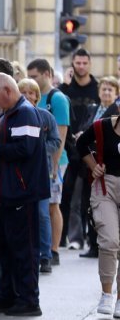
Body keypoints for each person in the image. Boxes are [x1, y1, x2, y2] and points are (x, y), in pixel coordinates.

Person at [0, 73, 49, 317]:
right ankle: (8, 294)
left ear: (8, 91)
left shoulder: (25, 112)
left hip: (22, 193)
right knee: (7, 248)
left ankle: (29, 299)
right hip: (6, 192)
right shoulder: (10, 113)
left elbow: (25, 148)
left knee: (24, 250)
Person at [26, 58, 69, 269]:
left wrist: (54, 168)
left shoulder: (57, 99)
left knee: (52, 206)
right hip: (35, 163)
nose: (31, 80)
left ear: (46, 74)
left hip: (54, 162)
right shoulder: (31, 103)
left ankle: (53, 249)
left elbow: (60, 134)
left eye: (34, 76)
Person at [77, 113, 120, 317]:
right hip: (105, 188)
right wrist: (93, 166)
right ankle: (106, 294)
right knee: (109, 241)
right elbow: (81, 144)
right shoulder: (102, 126)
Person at [17, 78, 61, 275]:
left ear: (37, 96)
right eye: (23, 92)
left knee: (42, 214)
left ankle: (46, 255)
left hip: (41, 172)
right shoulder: (15, 116)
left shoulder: (46, 117)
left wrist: (38, 150)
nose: (27, 96)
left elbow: (56, 141)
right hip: (20, 175)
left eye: (31, 93)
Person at [60, 48, 100, 252]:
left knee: (87, 197)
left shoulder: (97, 88)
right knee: (66, 195)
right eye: (78, 63)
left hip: (90, 149)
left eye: (85, 63)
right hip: (68, 148)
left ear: (90, 64)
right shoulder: (66, 88)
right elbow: (58, 106)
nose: (81, 66)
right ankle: (63, 237)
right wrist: (65, 85)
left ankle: (85, 236)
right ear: (72, 64)